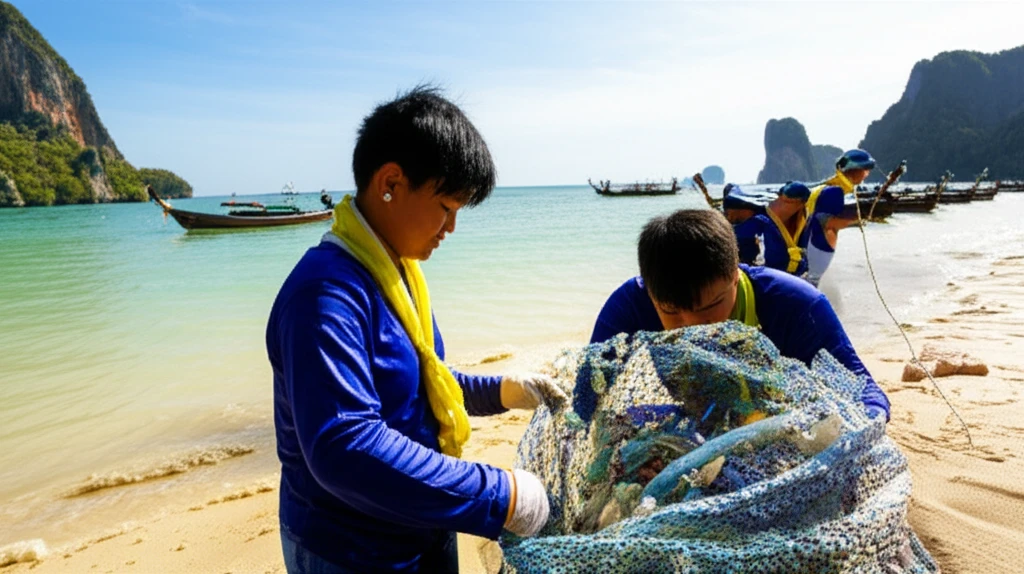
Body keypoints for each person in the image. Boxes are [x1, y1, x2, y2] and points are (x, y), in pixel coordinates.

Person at [266, 86, 565, 573]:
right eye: (446, 206)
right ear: (390, 183)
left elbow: (421, 386)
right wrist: (501, 497)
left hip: (419, 528)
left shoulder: (397, 273)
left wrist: (503, 391)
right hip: (351, 551)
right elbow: (345, 447)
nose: (451, 228)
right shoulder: (325, 294)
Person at [590, 209, 889, 421]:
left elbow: (864, 390)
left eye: (709, 308)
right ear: (650, 293)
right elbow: (587, 396)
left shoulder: (796, 305)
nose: (693, 326)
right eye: (671, 312)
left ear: (734, 275)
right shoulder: (629, 306)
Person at [803, 149, 876, 285]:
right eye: (865, 169)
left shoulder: (828, 188)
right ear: (855, 170)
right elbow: (827, 222)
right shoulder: (835, 192)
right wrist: (855, 222)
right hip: (819, 245)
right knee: (813, 282)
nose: (867, 174)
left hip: (811, 242)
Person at [733, 181, 810, 277]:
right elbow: (735, 234)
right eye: (785, 201)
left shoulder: (803, 219)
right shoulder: (762, 220)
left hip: (796, 273)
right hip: (772, 273)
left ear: (801, 204)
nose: (784, 205)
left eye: (790, 202)